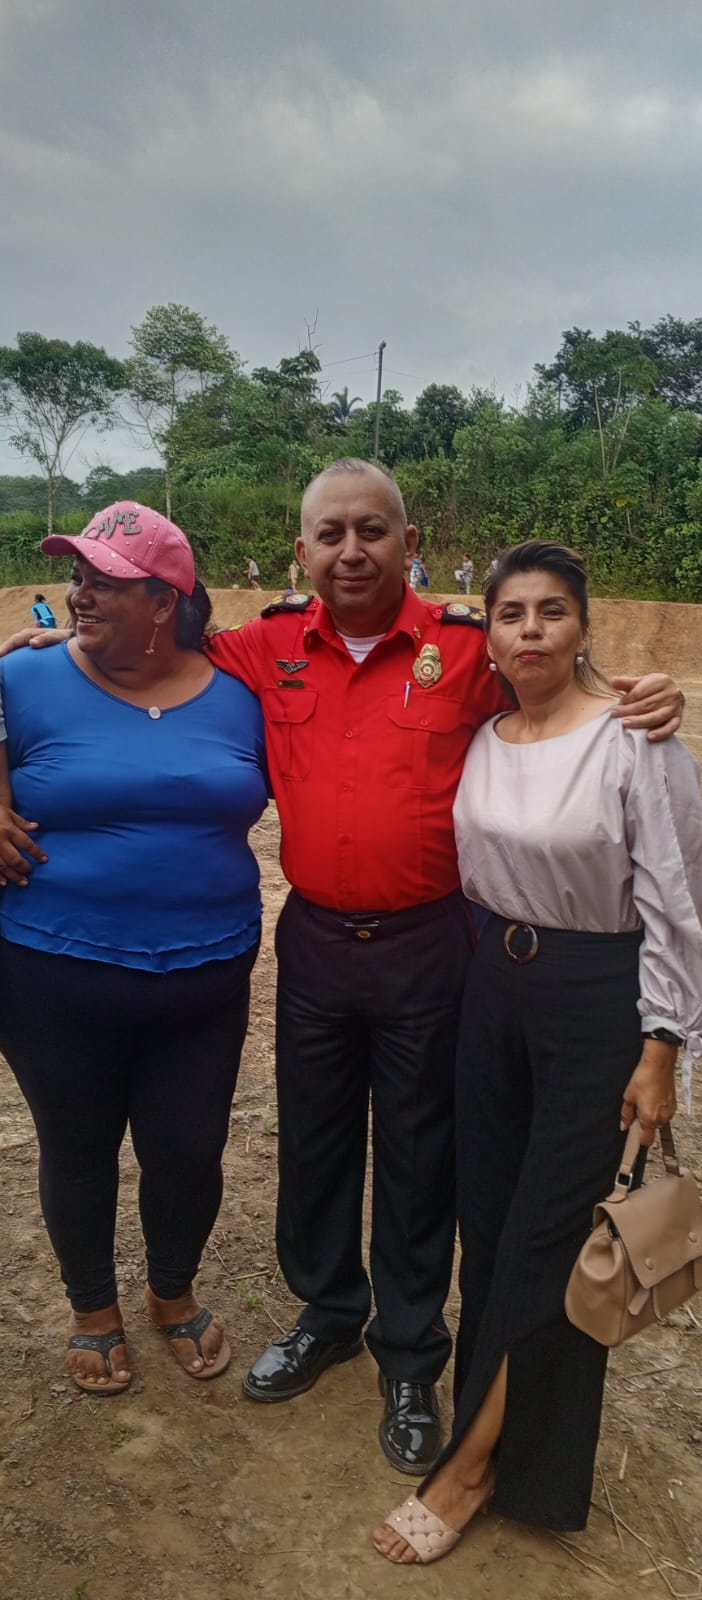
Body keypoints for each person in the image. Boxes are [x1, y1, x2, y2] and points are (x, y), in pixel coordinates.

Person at [0, 469, 684, 1465]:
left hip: (430, 943)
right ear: (302, 553)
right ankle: (325, 1311)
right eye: (330, 533)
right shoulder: (257, 648)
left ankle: (408, 1350)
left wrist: (643, 689)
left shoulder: (468, 646)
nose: (351, 550)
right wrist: (46, 642)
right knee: (314, 1142)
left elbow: (558, 681)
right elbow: (137, 654)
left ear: (411, 544)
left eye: (373, 530)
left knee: (418, 1150)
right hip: (315, 940)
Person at [373, 540, 702, 1564]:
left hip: (596, 1000)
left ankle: (471, 1468)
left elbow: (677, 903)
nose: (530, 630)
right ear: (489, 635)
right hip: (492, 992)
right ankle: (523, 1454)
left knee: (553, 1243)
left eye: (552, 611)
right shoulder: (486, 737)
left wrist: (663, 1046)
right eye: (510, 613)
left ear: (585, 628)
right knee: (489, 1225)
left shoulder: (636, 741)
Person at [0, 503, 268, 1396]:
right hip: (50, 974)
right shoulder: (22, 676)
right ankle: (92, 1310)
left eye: (103, 584)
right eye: (77, 578)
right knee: (77, 1147)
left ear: (164, 602)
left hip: (206, 976)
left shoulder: (243, 693)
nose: (79, 596)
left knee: (188, 1151)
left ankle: (171, 1292)